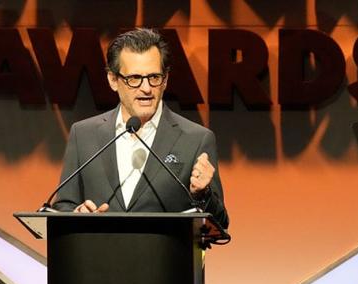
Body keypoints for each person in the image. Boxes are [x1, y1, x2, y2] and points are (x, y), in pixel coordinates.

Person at [54, 28, 229, 229]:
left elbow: (221, 223)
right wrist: (77, 215)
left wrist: (203, 194)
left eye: (154, 77)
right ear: (113, 80)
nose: (146, 88)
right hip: (99, 257)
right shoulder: (83, 134)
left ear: (165, 80)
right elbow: (63, 205)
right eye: (134, 78)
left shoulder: (196, 139)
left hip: (166, 259)